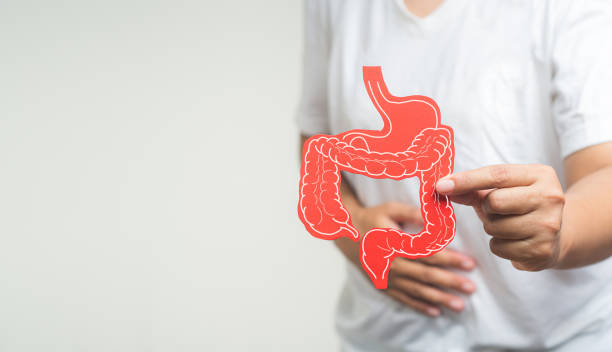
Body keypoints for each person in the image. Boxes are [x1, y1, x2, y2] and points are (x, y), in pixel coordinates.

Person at [295, 0, 612, 351]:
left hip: (555, 337)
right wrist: (352, 229)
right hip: (382, 336)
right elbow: (318, 140)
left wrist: (561, 233)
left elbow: (605, 173)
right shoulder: (333, 6)